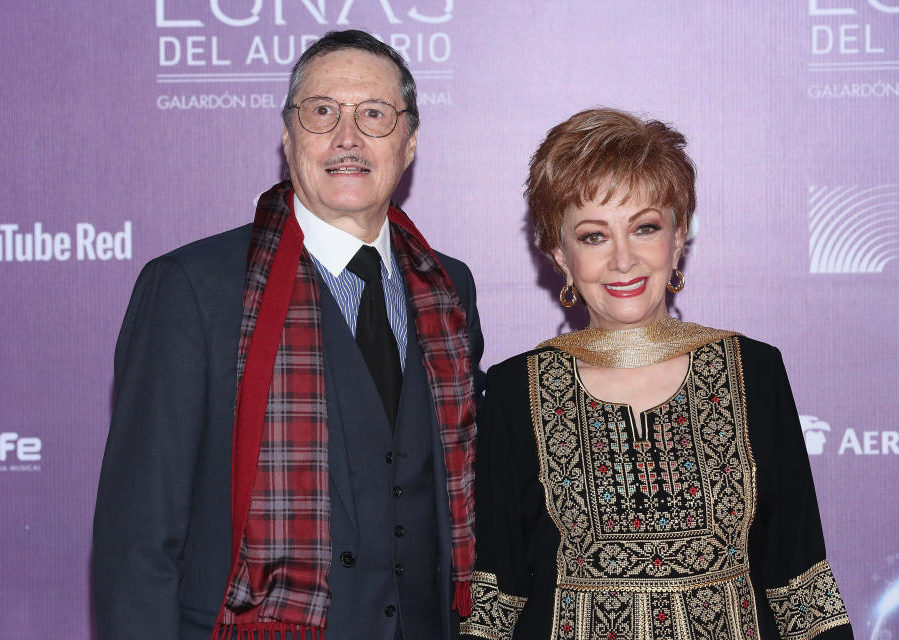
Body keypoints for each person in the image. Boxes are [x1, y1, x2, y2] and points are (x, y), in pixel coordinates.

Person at [93, 30, 482, 640]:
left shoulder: (449, 291)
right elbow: (139, 541)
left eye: (374, 115)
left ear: (409, 146)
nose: (347, 137)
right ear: (287, 137)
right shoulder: (191, 289)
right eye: (321, 111)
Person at [459, 108, 852, 640]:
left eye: (645, 227)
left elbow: (800, 582)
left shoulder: (755, 372)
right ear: (559, 254)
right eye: (594, 236)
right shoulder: (513, 391)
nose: (624, 259)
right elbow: (496, 594)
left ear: (678, 235)